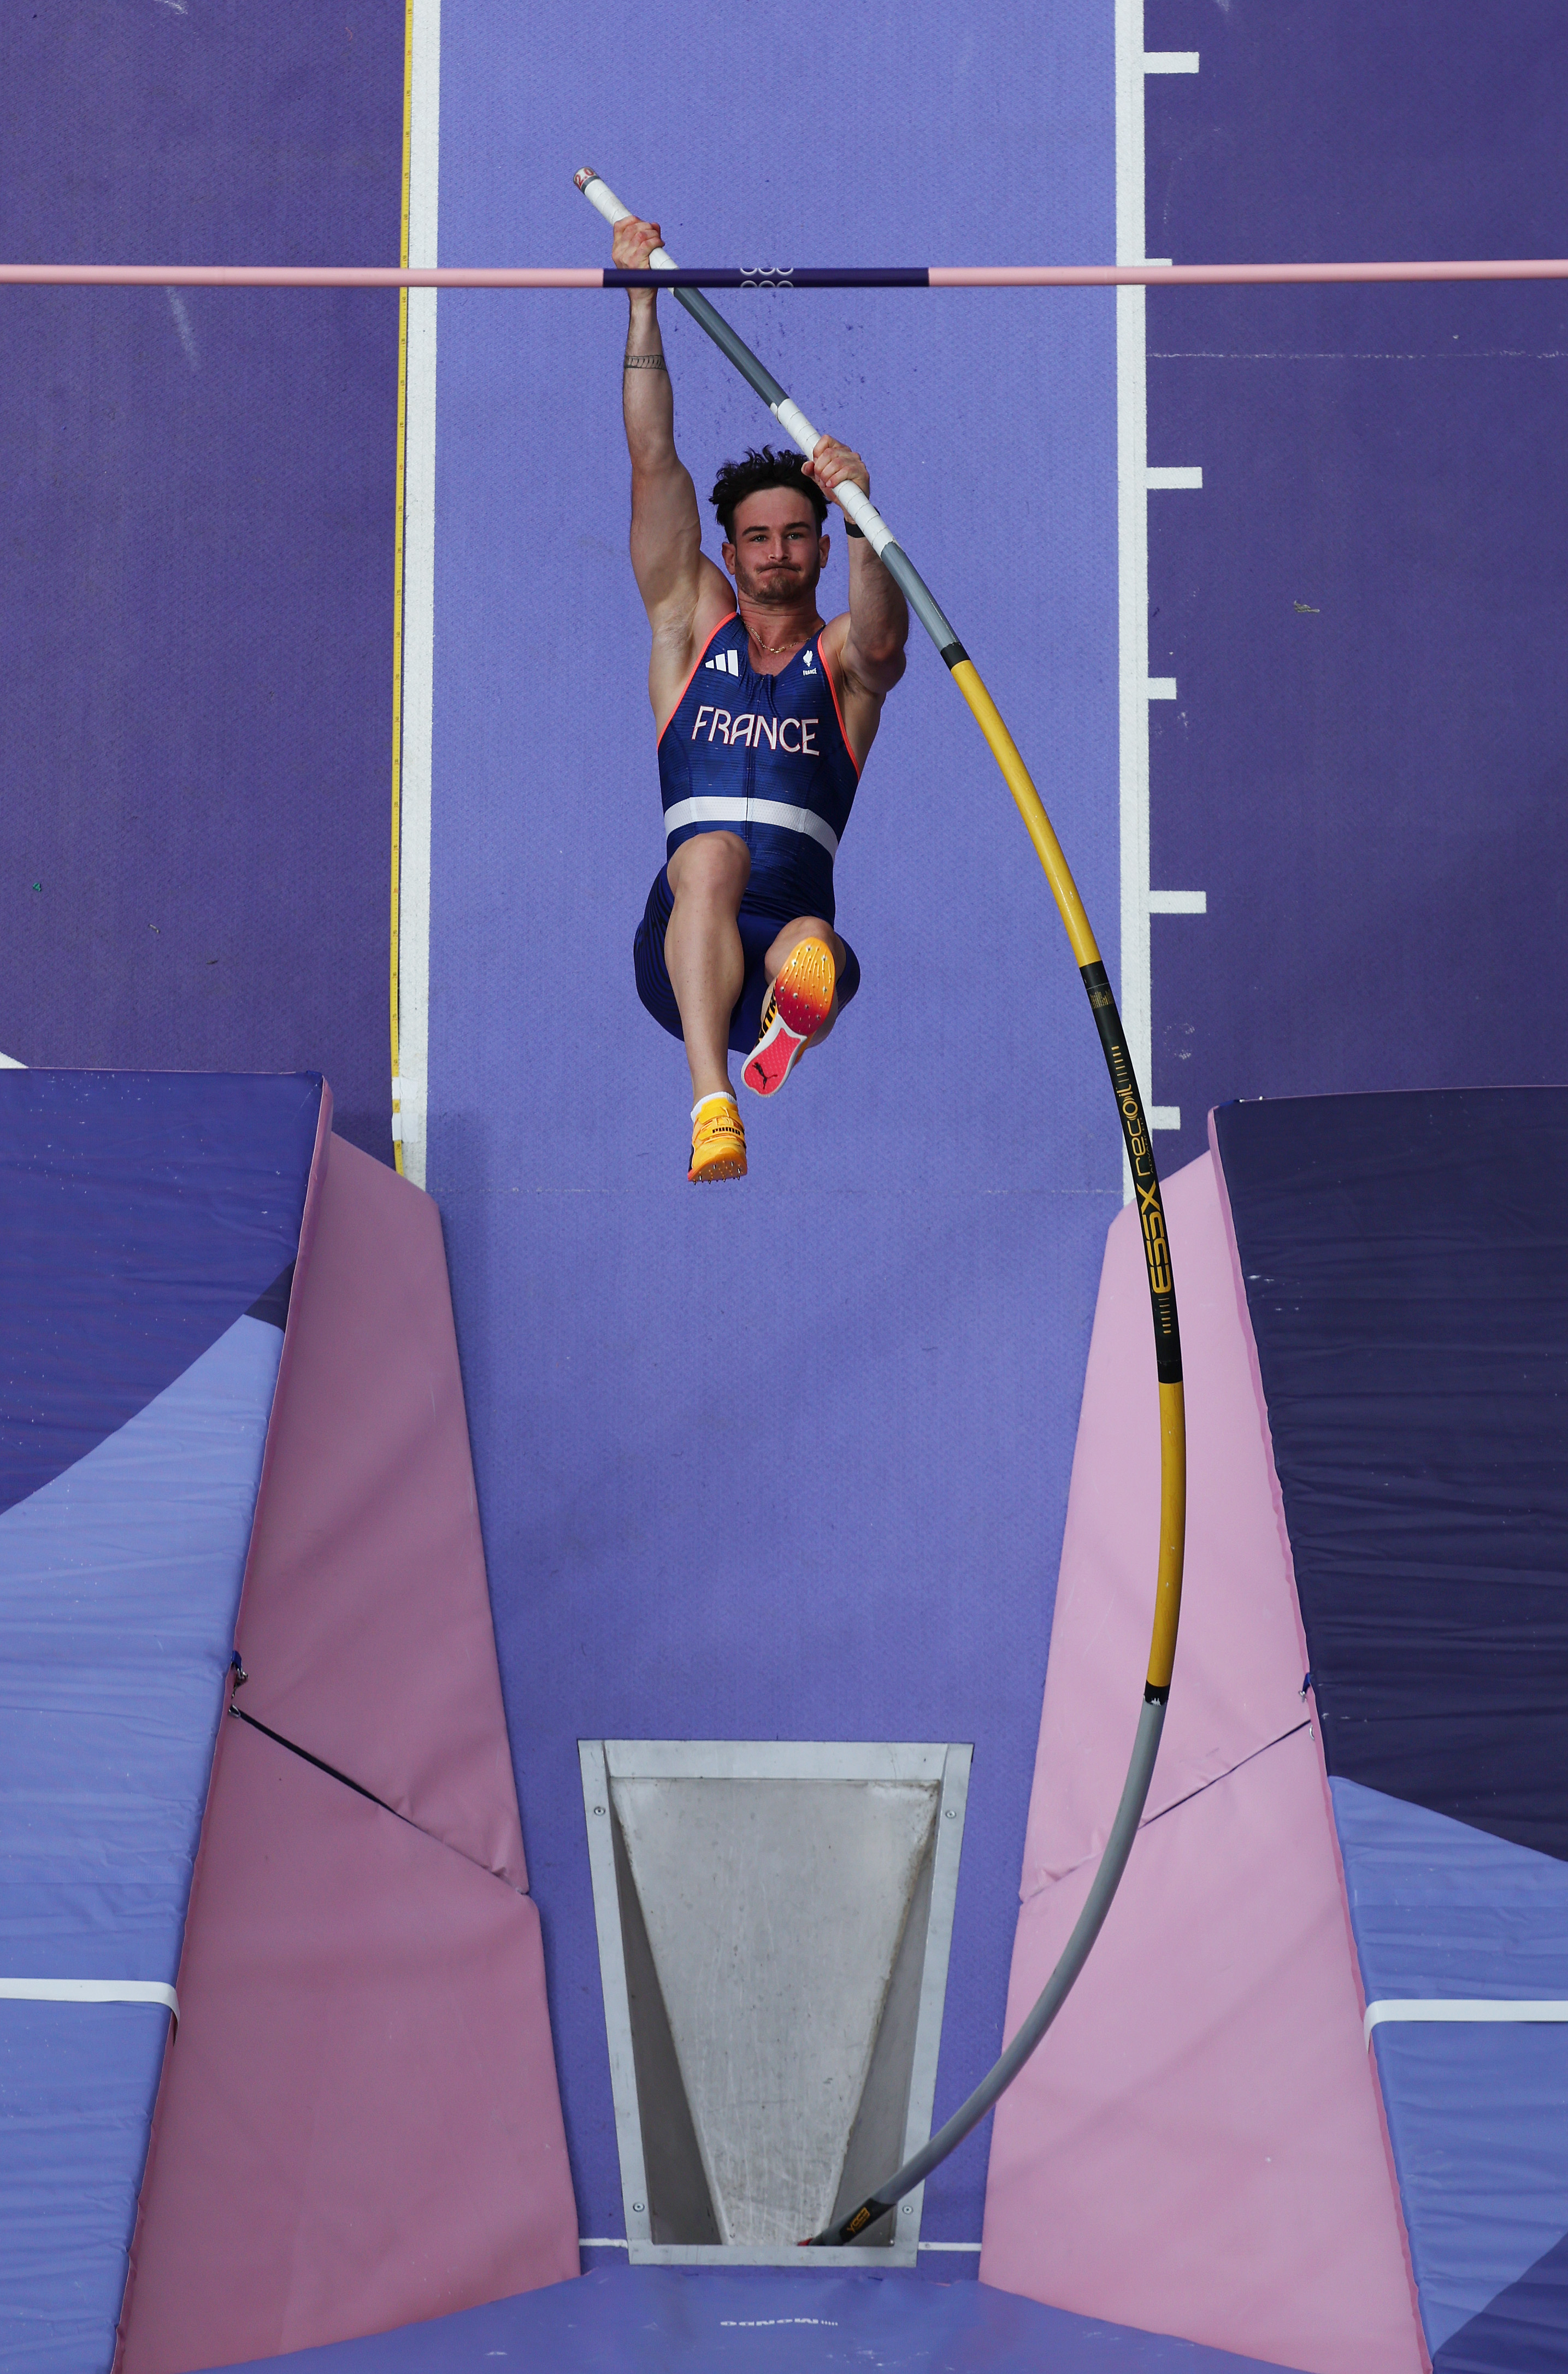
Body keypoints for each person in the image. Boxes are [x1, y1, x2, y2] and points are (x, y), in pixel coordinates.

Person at [612, 211, 910, 1182]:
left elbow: (880, 637)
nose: (777, 551)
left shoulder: (844, 667)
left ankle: (782, 1030)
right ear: (730, 552)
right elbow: (654, 460)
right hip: (683, 957)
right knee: (712, 851)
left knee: (813, 945)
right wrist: (644, 301)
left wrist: (864, 515)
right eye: (757, 537)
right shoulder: (690, 626)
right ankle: (713, 1102)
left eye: (798, 534)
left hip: (789, 960)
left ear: (821, 548)